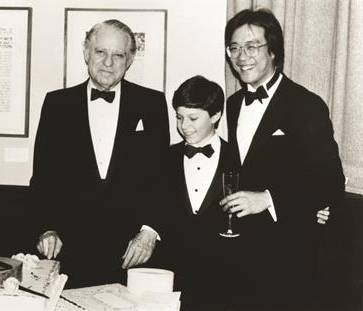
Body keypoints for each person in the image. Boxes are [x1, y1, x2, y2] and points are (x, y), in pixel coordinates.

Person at [220, 8, 345, 310]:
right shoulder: (233, 103)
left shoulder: (306, 106)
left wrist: (268, 198)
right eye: (234, 48)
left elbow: (330, 181)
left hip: (287, 254)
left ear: (274, 51)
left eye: (252, 46)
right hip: (239, 252)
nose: (241, 56)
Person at [30, 19, 169, 288]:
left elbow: (162, 177)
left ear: (129, 60)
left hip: (133, 254)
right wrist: (47, 228)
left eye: (118, 55)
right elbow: (43, 178)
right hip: (70, 252)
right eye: (100, 52)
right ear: (86, 52)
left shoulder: (152, 104)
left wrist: (150, 232)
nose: (108, 62)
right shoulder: (57, 105)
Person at [162, 75, 235, 310]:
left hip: (223, 281)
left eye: (193, 118)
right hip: (173, 279)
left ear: (215, 116)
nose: (184, 126)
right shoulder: (164, 158)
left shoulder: (239, 158)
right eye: (179, 117)